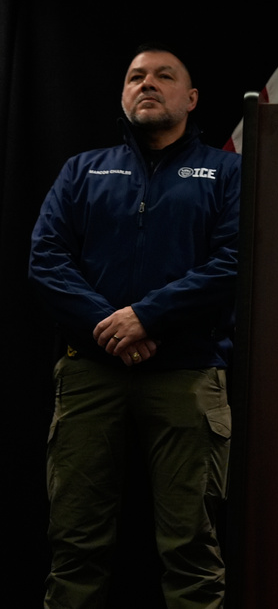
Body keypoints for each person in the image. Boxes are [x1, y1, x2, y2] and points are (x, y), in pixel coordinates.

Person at [29, 44, 241, 608]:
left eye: (163, 76)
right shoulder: (81, 170)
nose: (147, 84)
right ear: (123, 95)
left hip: (188, 375)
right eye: (135, 77)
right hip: (90, 377)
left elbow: (234, 261)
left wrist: (147, 316)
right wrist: (109, 324)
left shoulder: (226, 171)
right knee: (74, 545)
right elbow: (46, 259)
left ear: (190, 98)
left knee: (192, 549)